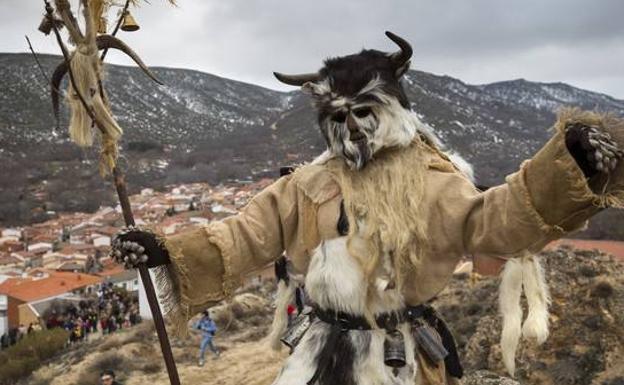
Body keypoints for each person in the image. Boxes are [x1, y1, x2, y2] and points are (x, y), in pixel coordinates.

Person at [112, 32, 624, 385]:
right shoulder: (309, 183)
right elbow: (246, 235)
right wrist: (165, 250)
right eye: (339, 116)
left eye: (363, 112)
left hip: (400, 352)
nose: (353, 128)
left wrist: (567, 166)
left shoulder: (434, 181)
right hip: (318, 348)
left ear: (392, 108)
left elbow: (496, 222)